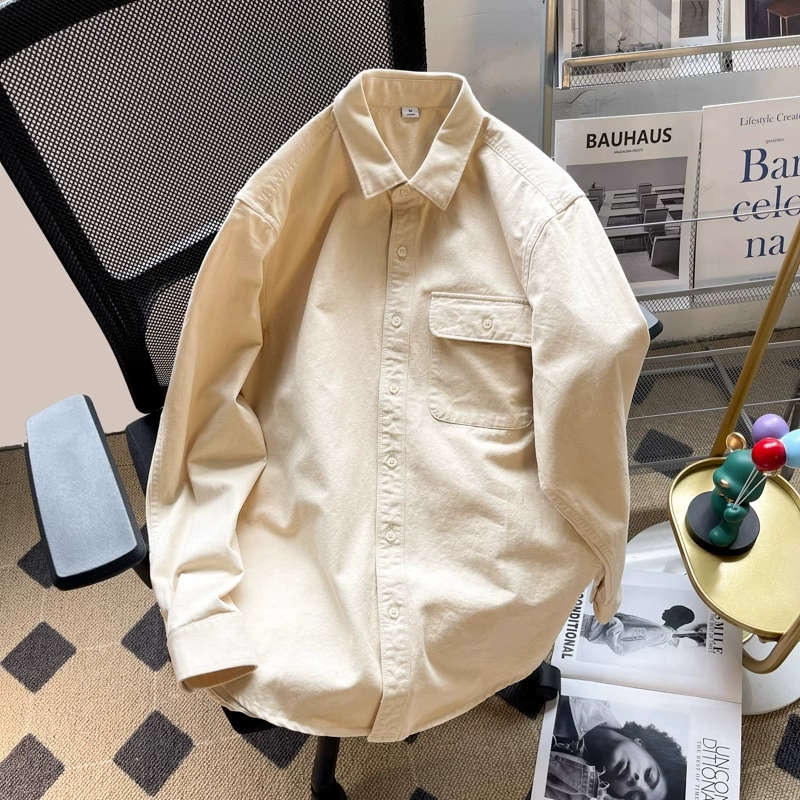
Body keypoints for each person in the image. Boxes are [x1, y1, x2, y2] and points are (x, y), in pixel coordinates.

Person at [546, 695, 687, 800]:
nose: (637, 783)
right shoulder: (595, 695)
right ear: (641, 745)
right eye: (649, 775)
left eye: (633, 797)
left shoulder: (566, 792)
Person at [580, 606, 698, 656]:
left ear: (678, 619)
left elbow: (620, 643)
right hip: (590, 624)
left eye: (671, 611)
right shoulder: (662, 632)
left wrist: (612, 618)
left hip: (588, 625)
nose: (666, 610)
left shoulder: (662, 634)